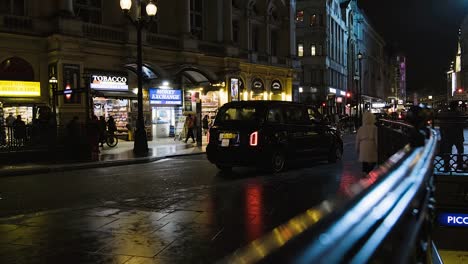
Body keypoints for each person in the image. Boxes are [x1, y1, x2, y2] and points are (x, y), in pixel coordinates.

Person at [439, 101, 465, 171]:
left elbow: (442, 125)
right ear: (456, 106)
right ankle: (460, 165)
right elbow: (463, 124)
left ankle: (446, 166)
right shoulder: (459, 114)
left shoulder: (445, 114)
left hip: (448, 135)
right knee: (460, 150)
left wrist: (442, 135)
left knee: (447, 151)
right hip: (458, 134)